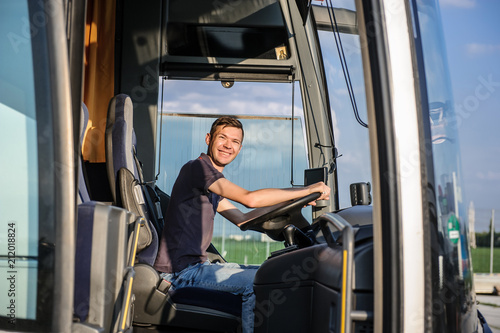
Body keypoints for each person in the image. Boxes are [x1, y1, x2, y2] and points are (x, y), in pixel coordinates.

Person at [154, 116, 330, 333]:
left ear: (240, 148)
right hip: (180, 273)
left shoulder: (210, 183)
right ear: (208, 139)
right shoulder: (197, 169)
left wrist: (293, 202)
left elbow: (242, 218)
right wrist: (305, 190)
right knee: (256, 283)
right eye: (222, 138)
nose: (228, 145)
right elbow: (249, 199)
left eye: (235, 142)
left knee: (269, 272)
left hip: (197, 267)